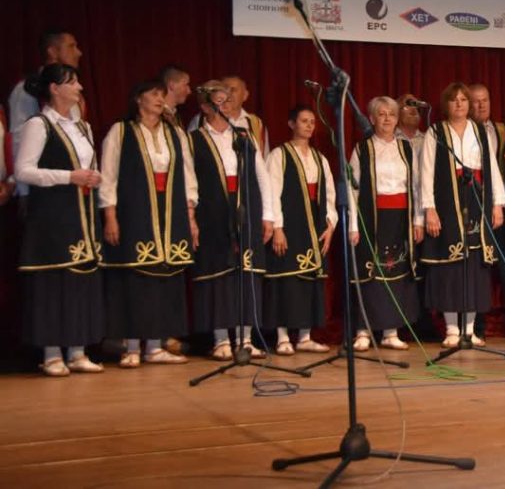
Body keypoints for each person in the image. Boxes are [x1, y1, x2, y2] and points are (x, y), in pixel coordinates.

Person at [99, 79, 197, 367]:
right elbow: (108, 174)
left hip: (170, 213)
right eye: (153, 94)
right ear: (138, 99)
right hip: (135, 212)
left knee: (165, 278)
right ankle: (131, 346)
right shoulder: (122, 131)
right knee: (136, 279)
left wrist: (191, 217)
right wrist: (110, 215)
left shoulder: (175, 133)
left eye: (161, 95)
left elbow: (188, 176)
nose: (159, 99)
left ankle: (155, 345)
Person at [15, 64, 104, 376]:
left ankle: (77, 350)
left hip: (82, 212)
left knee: (80, 279)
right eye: (72, 82)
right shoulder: (39, 125)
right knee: (54, 280)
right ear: (54, 89)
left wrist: (94, 177)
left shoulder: (83, 128)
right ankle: (52, 353)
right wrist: (70, 176)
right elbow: (23, 170)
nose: (79, 87)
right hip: (53, 213)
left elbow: (87, 164)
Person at [189, 82, 275, 360]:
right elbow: (189, 182)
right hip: (212, 212)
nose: (225, 107)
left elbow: (262, 175)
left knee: (246, 273)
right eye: (218, 102)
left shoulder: (245, 136)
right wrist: (190, 215)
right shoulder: (194, 139)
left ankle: (246, 338)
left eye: (228, 101)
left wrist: (269, 215)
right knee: (219, 275)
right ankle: (220, 339)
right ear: (205, 107)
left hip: (246, 208)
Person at [421, 83, 505, 347]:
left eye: (463, 100)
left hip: (477, 198)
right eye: (454, 100)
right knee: (450, 267)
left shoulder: (481, 131)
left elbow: (491, 167)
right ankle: (451, 329)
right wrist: (430, 209)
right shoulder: (435, 132)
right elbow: (426, 171)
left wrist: (496, 204)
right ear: (446, 104)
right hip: (447, 203)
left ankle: (469, 329)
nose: (459, 104)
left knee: (474, 267)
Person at [348, 96, 424, 350]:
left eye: (391, 114)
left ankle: (391, 331)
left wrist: (418, 220)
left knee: (395, 271)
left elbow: (415, 187)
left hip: (400, 216)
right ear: (372, 119)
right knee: (369, 273)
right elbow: (352, 189)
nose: (387, 118)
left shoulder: (406, 149)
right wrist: (353, 226)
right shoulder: (362, 149)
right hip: (372, 217)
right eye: (381, 114)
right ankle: (363, 331)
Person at [267, 105, 336, 355]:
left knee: (310, 282)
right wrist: (277, 227)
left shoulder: (320, 158)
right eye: (304, 121)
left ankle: (305, 336)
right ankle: (283, 336)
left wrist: (330, 225)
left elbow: (328, 195)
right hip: (289, 227)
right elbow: (272, 192)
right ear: (291, 124)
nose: (309, 125)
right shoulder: (279, 155)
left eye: (312, 122)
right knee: (286, 281)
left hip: (314, 228)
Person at [468, 82, 505, 337]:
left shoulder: (502, 129)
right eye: (475, 101)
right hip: (474, 210)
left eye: (485, 100)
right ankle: (475, 327)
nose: (481, 105)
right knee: (477, 271)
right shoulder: (463, 131)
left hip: (502, 210)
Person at [9, 29, 85, 200]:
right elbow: (19, 141)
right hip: (44, 191)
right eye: (71, 46)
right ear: (52, 51)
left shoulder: (72, 92)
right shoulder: (27, 91)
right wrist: (24, 191)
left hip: (74, 187)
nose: (78, 52)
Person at [159, 64, 192, 130]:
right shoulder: (156, 116)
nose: (189, 91)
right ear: (172, 85)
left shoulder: (176, 117)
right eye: (186, 85)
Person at [396, 93, 427, 160]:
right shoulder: (390, 139)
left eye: (416, 105)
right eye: (408, 104)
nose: (413, 109)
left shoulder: (427, 140)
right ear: (397, 112)